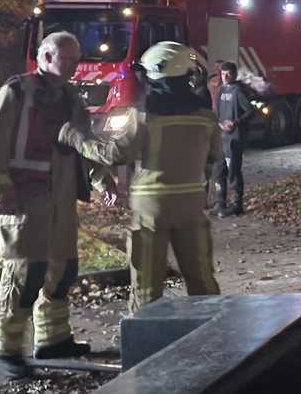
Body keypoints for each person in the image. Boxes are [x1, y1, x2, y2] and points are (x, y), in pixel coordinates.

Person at [58, 42, 222, 313]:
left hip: (151, 209)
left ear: (155, 77)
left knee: (146, 285)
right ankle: (214, 337)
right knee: (202, 280)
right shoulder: (206, 118)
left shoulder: (144, 118)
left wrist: (78, 139)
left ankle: (147, 343)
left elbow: (114, 154)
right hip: (192, 206)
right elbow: (214, 155)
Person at [0, 31, 99, 379]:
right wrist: (0, 192)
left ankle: (53, 339)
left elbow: (82, 145)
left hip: (60, 196)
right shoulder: (15, 93)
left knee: (62, 270)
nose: (73, 66)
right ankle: (3, 349)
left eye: (76, 59)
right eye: (67, 59)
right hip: (23, 197)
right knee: (24, 274)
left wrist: (102, 180)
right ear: (45, 57)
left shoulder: (70, 96)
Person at [213, 61, 255, 217]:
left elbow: (250, 111)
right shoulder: (220, 90)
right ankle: (220, 203)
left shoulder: (238, 91)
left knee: (233, 172)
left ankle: (237, 205)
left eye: (228, 73)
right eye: (223, 73)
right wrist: (218, 123)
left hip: (234, 139)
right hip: (221, 138)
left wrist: (235, 123)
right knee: (218, 171)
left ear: (234, 75)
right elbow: (217, 111)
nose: (225, 76)